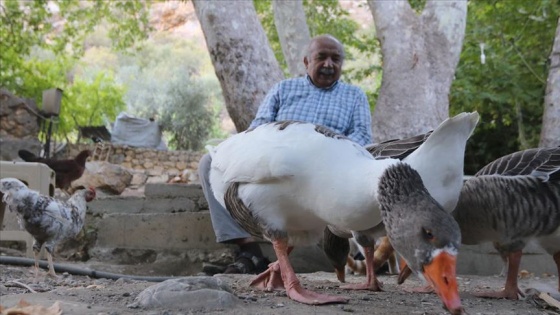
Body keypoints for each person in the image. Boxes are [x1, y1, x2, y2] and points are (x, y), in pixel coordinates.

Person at [198, 34, 373, 274]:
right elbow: (257, 127)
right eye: (321, 57)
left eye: (336, 59)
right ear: (306, 61)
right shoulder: (284, 89)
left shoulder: (355, 96)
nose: (329, 64)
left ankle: (340, 250)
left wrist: (327, 152)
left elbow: (362, 139)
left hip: (324, 171)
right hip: (276, 162)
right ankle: (248, 250)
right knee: (209, 163)